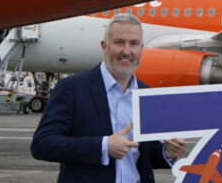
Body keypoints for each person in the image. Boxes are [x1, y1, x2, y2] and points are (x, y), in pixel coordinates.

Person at [31, 13, 187, 182]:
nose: (127, 51)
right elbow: (42, 145)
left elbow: (144, 155)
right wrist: (103, 147)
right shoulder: (71, 88)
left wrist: (167, 153)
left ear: (141, 49)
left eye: (133, 44)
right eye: (119, 42)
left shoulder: (145, 94)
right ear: (105, 46)